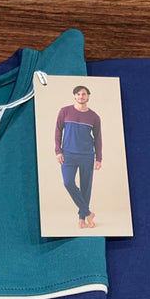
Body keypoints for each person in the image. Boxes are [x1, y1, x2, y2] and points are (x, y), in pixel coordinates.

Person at [54, 85, 102, 228]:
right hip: (68, 154)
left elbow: (98, 138)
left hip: (87, 156)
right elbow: (58, 131)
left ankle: (82, 219)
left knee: (86, 187)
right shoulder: (65, 111)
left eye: (84, 94)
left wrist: (98, 158)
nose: (81, 96)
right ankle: (88, 213)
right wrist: (58, 151)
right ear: (74, 96)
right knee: (68, 182)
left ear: (88, 96)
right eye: (78, 94)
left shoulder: (94, 117)